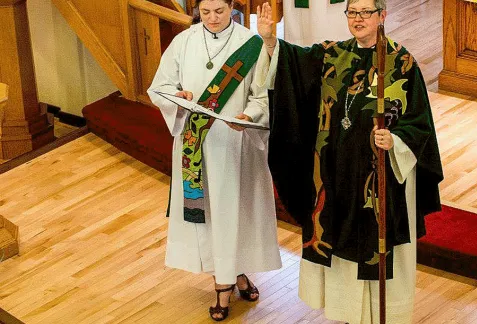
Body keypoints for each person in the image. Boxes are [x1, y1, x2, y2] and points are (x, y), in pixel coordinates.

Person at [256, 0, 443, 323]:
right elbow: (293, 67)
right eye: (352, 13)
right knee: (340, 244)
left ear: (382, 16)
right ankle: (347, 316)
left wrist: (395, 140)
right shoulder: (332, 54)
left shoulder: (401, 63)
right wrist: (271, 41)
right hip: (336, 177)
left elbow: (419, 123)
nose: (358, 19)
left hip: (379, 182)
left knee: (377, 251)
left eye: (365, 13)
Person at [147, 0, 282, 321]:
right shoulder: (185, 41)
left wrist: (248, 114)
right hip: (196, 145)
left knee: (236, 213)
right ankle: (225, 282)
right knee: (209, 217)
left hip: (237, 144)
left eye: (219, 11)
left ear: (231, 7)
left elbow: (264, 92)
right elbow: (160, 87)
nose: (212, 18)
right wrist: (178, 98)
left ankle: (233, 274)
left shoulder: (249, 44)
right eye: (205, 12)